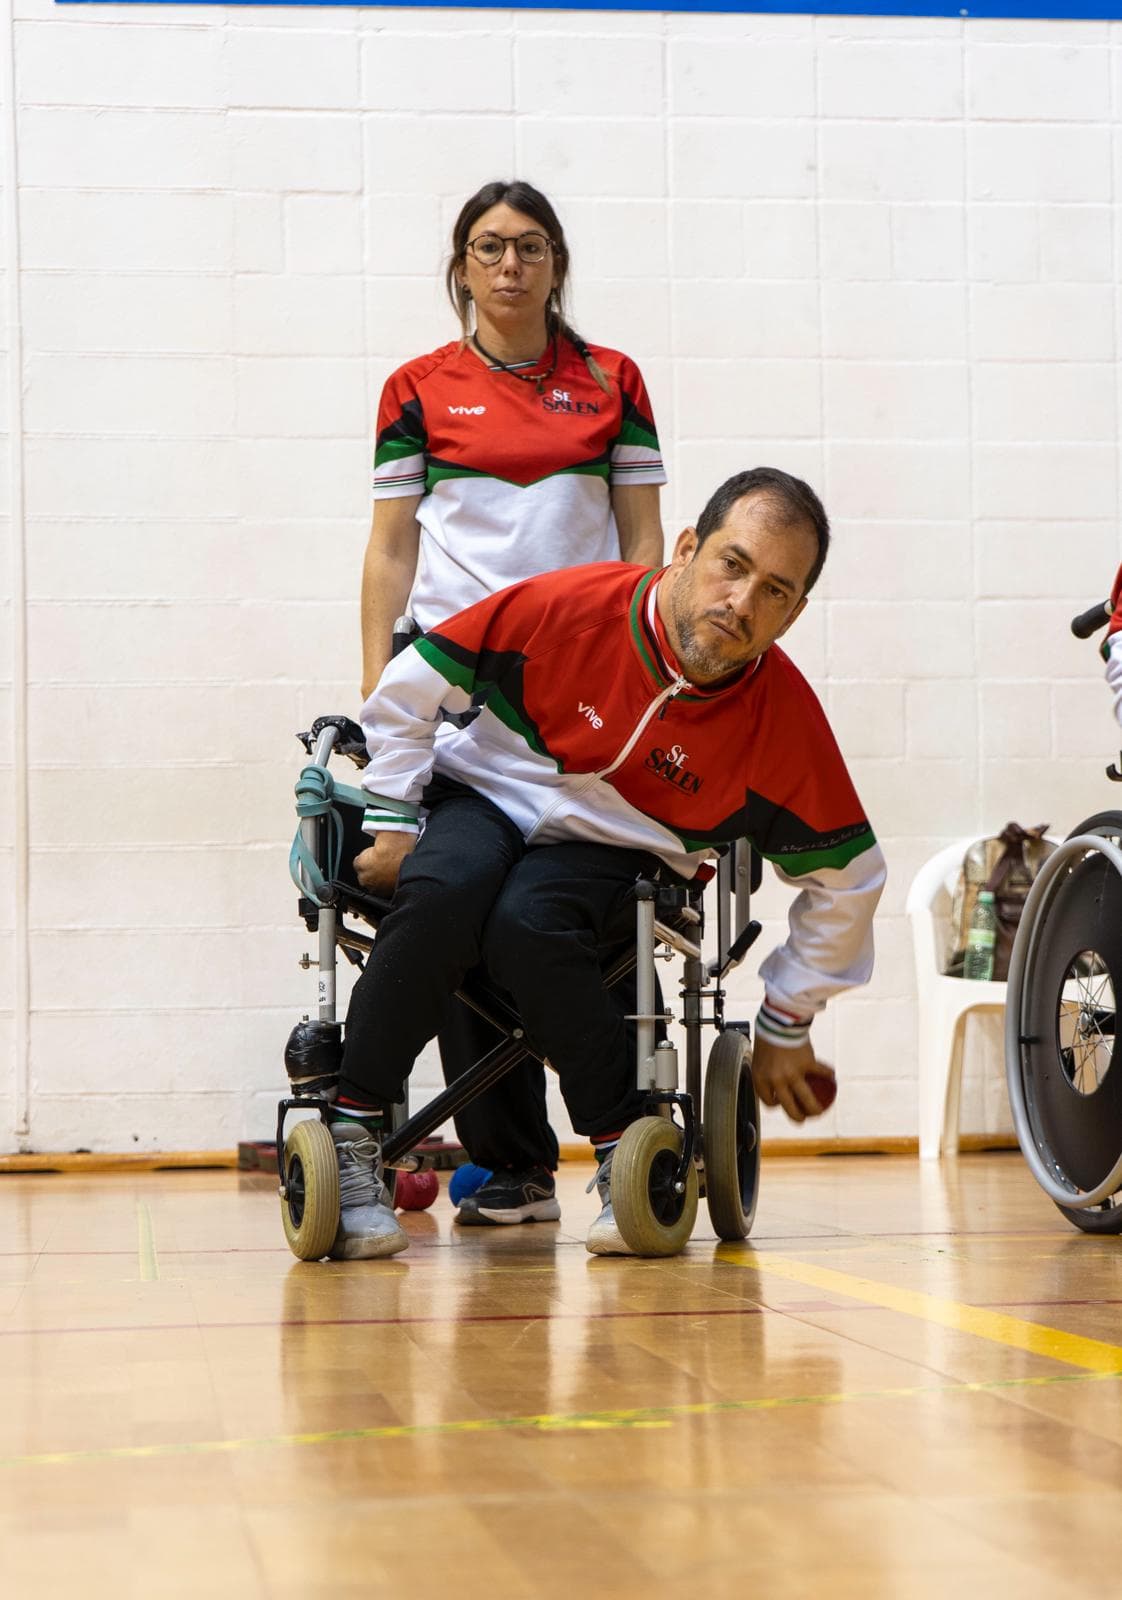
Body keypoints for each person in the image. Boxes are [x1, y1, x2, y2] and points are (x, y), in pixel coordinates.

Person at [327, 466, 886, 1261]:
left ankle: (627, 1148)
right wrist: (391, 817)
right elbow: (411, 684)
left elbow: (851, 879)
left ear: (793, 615)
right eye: (733, 564)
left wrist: (788, 1015)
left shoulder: (785, 721)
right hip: (490, 790)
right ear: (688, 547)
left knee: (530, 923)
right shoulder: (574, 605)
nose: (742, 603)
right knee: (443, 889)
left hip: (624, 844)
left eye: (775, 592)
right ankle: (351, 1134)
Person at [360, 180, 666, 1227]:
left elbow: (641, 546)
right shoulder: (414, 388)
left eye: (530, 247)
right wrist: (378, 701)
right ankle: (509, 1163)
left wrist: (643, 679)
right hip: (455, 710)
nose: (509, 265)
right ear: (461, 266)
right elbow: (390, 552)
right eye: (488, 247)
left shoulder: (614, 381)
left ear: (556, 263)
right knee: (447, 900)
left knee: (546, 919)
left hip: (583, 716)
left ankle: (611, 1145)